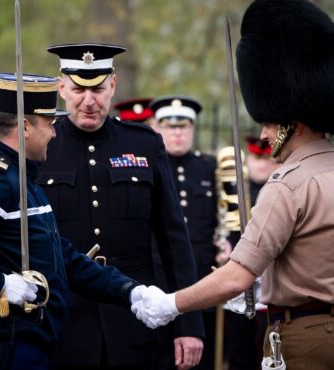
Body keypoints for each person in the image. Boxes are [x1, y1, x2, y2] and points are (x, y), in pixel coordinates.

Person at [131, 1, 334, 369]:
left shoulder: (287, 184)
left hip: (305, 336)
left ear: (293, 123)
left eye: (269, 124)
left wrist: (171, 303)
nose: (263, 133)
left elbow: (238, 273)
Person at [37, 43, 204, 370]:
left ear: (112, 84)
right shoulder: (43, 146)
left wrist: (189, 325)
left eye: (98, 89)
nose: (89, 101)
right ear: (61, 88)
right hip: (63, 317)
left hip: (135, 317)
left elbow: (174, 241)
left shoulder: (143, 143)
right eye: (78, 90)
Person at [0, 72, 144, 370]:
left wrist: (130, 291)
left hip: (25, 345)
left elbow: (65, 257)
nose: (54, 133)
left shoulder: (24, 181)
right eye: (49, 123)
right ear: (24, 127)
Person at [150, 95, 218, 370]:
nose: (177, 133)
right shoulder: (150, 167)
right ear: (158, 128)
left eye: (184, 127)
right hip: (159, 280)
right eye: (170, 127)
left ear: (192, 129)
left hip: (204, 280)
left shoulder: (209, 168)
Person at [224, 137, 280, 370]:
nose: (260, 164)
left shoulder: (279, 189)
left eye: (266, 158)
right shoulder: (232, 189)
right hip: (236, 274)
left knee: (270, 347)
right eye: (256, 157)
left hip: (270, 280)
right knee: (239, 346)